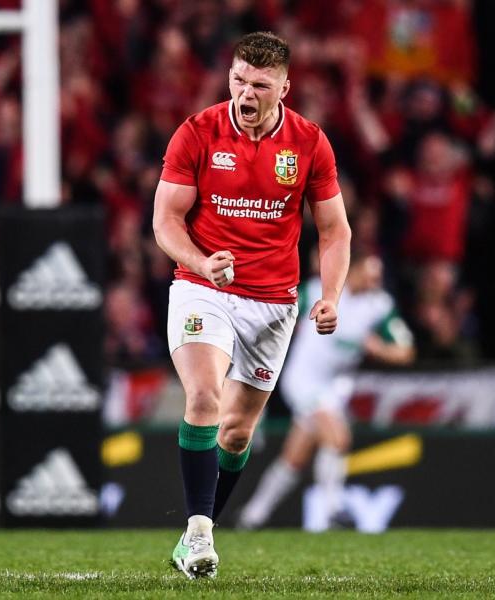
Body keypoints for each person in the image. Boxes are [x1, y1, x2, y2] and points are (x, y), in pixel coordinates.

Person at [152, 32, 351, 579]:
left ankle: (197, 530)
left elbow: (333, 231)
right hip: (204, 288)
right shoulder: (197, 133)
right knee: (203, 396)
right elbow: (165, 221)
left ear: (284, 88)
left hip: (273, 304)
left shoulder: (310, 143)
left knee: (237, 433)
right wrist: (198, 261)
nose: (246, 93)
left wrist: (330, 296)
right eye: (239, 80)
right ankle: (198, 538)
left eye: (260, 85)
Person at [236, 250, 414, 530]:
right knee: (338, 438)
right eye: (370, 273)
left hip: (335, 387)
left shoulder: (379, 305)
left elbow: (406, 352)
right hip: (303, 380)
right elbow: (278, 321)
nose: (375, 281)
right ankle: (333, 510)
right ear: (352, 269)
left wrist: (379, 349)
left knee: (294, 458)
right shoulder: (315, 290)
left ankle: (253, 515)